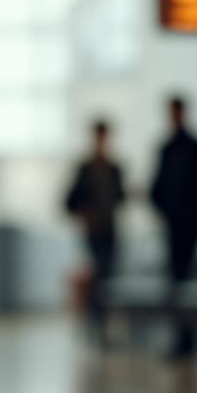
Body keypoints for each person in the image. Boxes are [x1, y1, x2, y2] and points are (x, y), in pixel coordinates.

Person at [150, 96, 197, 357]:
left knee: (190, 280)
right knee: (175, 282)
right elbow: (156, 187)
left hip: (192, 225)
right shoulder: (165, 148)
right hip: (173, 226)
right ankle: (180, 335)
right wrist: (163, 211)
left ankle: (190, 337)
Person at [65, 119, 125, 339]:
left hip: (110, 232)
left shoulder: (114, 168)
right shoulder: (86, 168)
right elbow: (69, 201)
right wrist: (86, 213)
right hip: (93, 233)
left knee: (107, 277)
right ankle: (96, 323)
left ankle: (103, 322)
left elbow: (120, 197)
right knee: (97, 277)